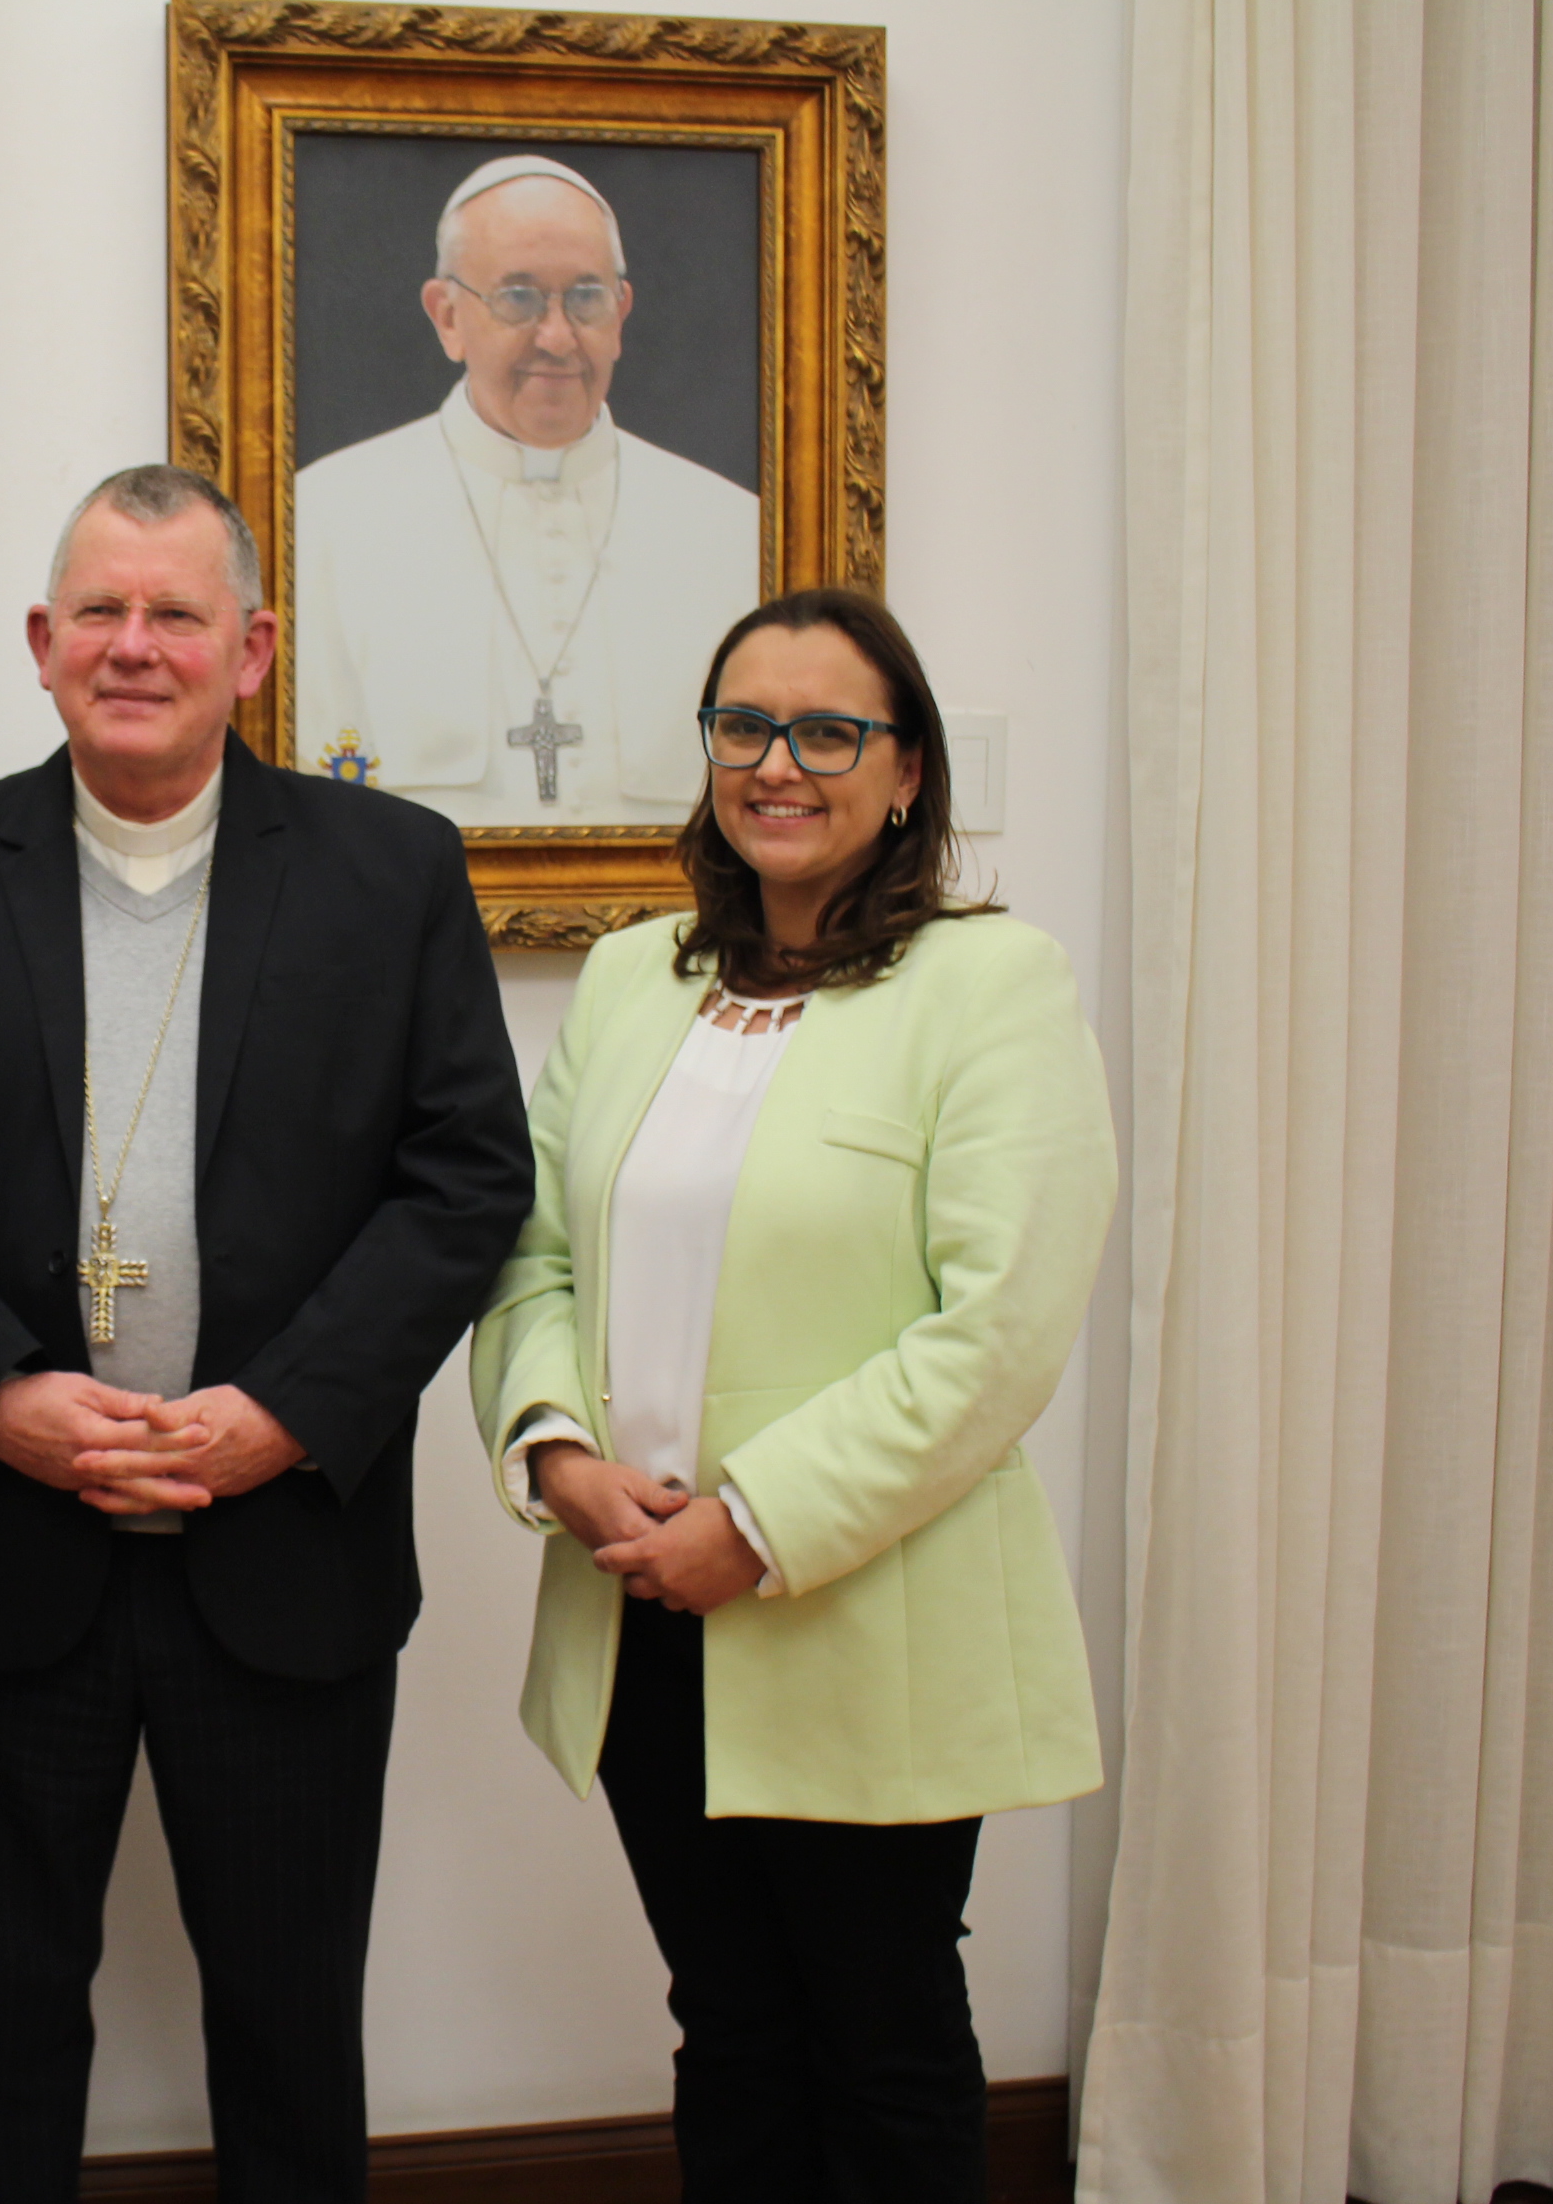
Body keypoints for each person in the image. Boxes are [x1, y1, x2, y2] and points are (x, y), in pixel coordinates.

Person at [0, 465, 533, 2202]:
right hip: (4, 1548)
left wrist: (283, 1412)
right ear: (40, 640)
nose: (132, 646)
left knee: (290, 2033)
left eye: (176, 614)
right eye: (99, 612)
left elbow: (466, 1176)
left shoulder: (388, 870)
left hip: (281, 1553)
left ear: (253, 647)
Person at [470, 590, 1115, 2201]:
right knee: (732, 2028)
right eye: (745, 727)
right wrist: (558, 1458)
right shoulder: (630, 980)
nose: (780, 763)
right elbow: (531, 1254)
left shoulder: (994, 987)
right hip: (640, 1609)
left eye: (831, 731)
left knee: (883, 2039)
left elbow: (1000, 1329)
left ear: (907, 774)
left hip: (862, 1618)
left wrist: (754, 1525)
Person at [293, 152, 761, 825]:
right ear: (447, 316)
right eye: (518, 297)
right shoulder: (321, 524)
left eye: (586, 297)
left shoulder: (732, 531)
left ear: (621, 313)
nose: (558, 336)